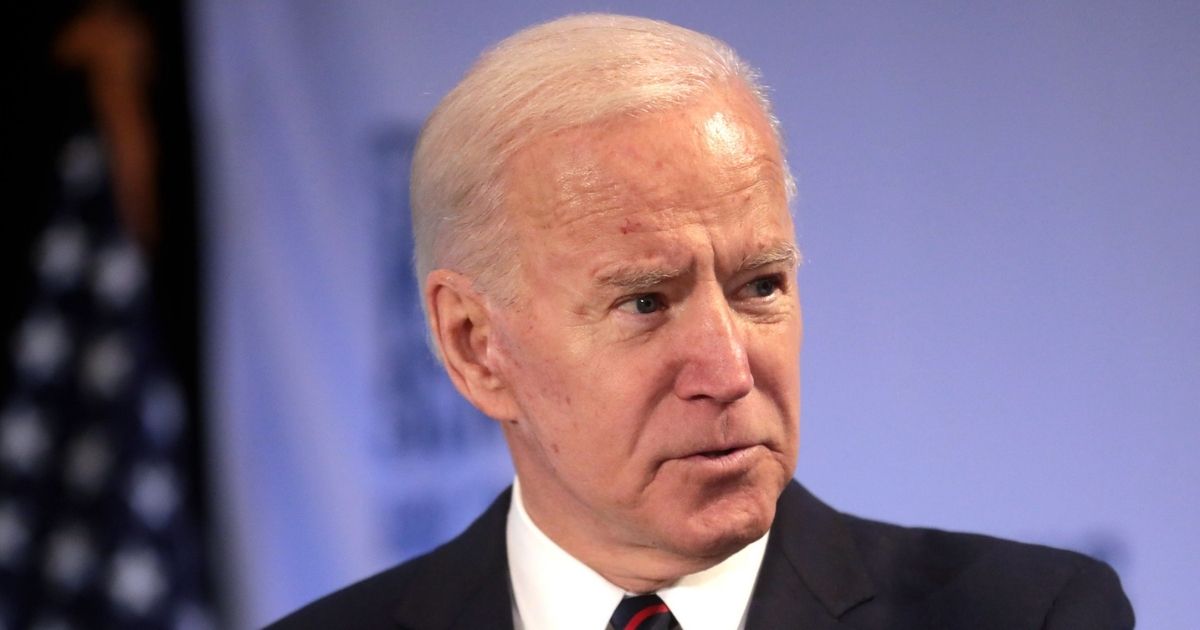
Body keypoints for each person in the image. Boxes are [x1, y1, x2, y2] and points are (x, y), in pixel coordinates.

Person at [269, 14, 1133, 629]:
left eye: (760, 286)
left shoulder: (1028, 616)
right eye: (644, 302)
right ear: (474, 346)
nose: (729, 371)